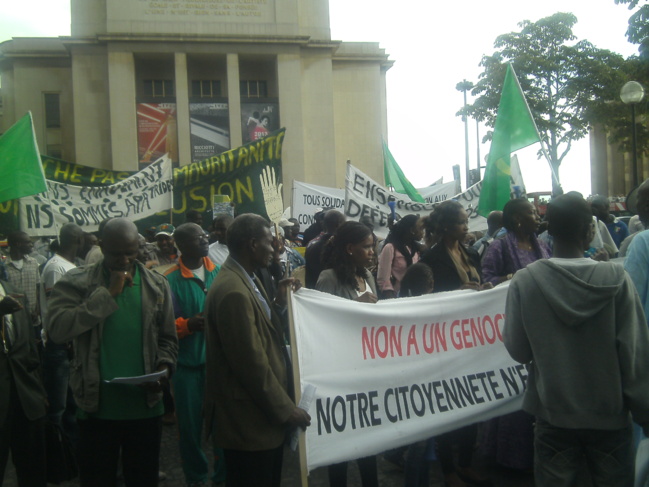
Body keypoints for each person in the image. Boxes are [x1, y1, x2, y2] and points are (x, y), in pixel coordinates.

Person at [504, 193, 649, 487]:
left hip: (553, 418)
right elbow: (635, 356)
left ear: (549, 229)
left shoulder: (525, 280)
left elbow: (518, 351)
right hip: (610, 419)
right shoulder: (618, 279)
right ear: (589, 230)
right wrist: (644, 412)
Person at [46, 218, 178, 487]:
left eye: (131, 252)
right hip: (96, 409)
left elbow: (168, 339)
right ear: (102, 246)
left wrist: (164, 368)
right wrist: (108, 294)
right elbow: (57, 330)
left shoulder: (156, 284)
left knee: (142, 480)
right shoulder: (77, 281)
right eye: (117, 253)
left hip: (145, 407)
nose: (125, 259)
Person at [204, 214, 310, 487]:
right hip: (249, 424)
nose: (275, 247)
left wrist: (278, 302)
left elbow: (260, 331)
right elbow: (251, 365)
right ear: (252, 244)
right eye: (268, 241)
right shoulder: (234, 291)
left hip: (259, 421)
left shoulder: (247, 278)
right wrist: (287, 410)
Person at [419, 200, 490, 487]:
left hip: (472, 338)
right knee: (448, 403)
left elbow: (481, 283)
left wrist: (484, 290)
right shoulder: (431, 258)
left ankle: (466, 464)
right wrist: (457, 293)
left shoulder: (472, 253)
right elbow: (428, 299)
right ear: (447, 226)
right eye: (462, 221)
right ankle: (448, 469)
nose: (467, 225)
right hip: (446, 339)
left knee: (471, 401)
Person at [316, 221, 379, 487]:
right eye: (367, 247)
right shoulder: (328, 278)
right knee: (340, 445)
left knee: (369, 442)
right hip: (339, 373)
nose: (372, 252)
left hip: (366, 370)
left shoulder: (368, 277)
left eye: (373, 247)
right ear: (350, 248)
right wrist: (355, 306)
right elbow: (318, 323)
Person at [163, 223, 225, 486]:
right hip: (187, 368)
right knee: (189, 431)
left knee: (223, 428)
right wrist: (188, 325)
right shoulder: (169, 280)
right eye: (197, 237)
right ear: (181, 245)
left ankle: (222, 478)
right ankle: (197, 478)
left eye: (204, 236)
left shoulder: (219, 273)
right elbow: (165, 325)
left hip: (217, 367)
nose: (204, 239)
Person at [0, 283, 47, 487]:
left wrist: (40, 391)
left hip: (26, 397)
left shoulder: (11, 290)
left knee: (33, 470)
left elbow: (30, 349)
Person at [41, 222, 84, 441]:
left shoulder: (71, 265)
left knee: (71, 403)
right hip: (60, 344)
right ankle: (57, 459)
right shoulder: (56, 268)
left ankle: (71, 455)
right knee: (58, 406)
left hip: (71, 343)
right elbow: (56, 310)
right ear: (78, 240)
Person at [482, 199, 550, 287]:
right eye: (532, 213)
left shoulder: (542, 245)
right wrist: (513, 277)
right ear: (517, 218)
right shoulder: (499, 246)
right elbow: (486, 280)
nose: (538, 217)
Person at [377, 214, 423, 298]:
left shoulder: (416, 249)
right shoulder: (390, 248)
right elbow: (383, 278)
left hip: (414, 296)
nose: (422, 232)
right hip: (397, 297)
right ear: (412, 230)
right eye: (420, 229)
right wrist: (391, 298)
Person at [4, 231, 41, 337]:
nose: (31, 245)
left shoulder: (33, 263)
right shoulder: (4, 267)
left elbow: (37, 287)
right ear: (18, 244)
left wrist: (37, 310)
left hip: (33, 318)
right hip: (13, 320)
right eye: (28, 242)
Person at [305, 210, 345, 288]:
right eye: (344, 224)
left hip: (312, 292)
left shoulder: (311, 244)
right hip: (330, 294)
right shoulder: (339, 247)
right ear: (338, 225)